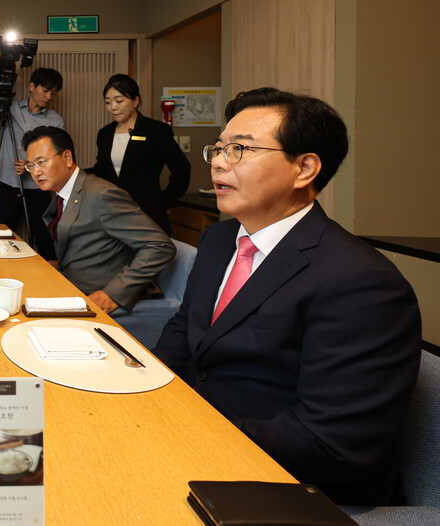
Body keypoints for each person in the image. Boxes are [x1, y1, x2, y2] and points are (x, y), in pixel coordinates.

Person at [152, 88, 422, 505]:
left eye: (240, 149)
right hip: (199, 446)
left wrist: (188, 427)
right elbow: (186, 328)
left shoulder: (360, 282)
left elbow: (331, 445)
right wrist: (146, 393)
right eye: (219, 148)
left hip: (295, 487)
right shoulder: (221, 238)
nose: (219, 161)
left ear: (304, 169)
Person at [21, 126, 175, 315]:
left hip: (97, 301)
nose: (36, 172)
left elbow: (160, 245)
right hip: (70, 289)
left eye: (41, 162)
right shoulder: (64, 194)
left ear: (67, 158)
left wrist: (113, 294)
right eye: (31, 166)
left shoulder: (102, 195)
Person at [0, 59, 64, 260]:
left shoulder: (55, 120)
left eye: (53, 93)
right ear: (32, 86)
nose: (48, 97)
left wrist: (31, 168)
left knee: (46, 240)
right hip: (6, 185)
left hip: (38, 189)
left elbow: (58, 157)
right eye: (45, 90)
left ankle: (51, 282)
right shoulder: (10, 107)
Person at [88, 74, 190, 234]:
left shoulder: (155, 130)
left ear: (135, 101)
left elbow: (182, 168)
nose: (113, 107)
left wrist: (166, 201)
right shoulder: (105, 134)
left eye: (119, 101)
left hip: (148, 213)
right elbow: (101, 170)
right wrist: (72, 172)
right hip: (113, 212)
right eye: (108, 102)